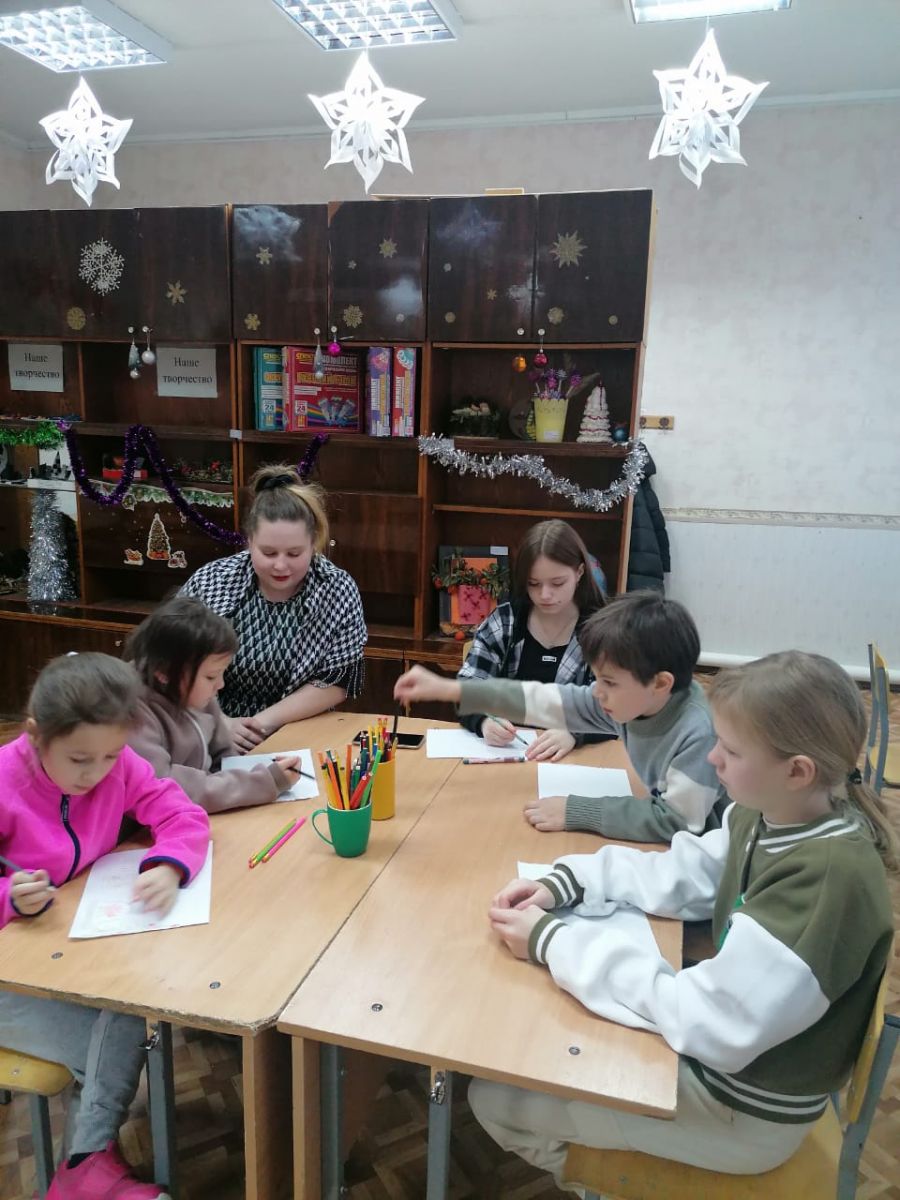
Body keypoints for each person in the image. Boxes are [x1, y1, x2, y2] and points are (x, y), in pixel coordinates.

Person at [473, 651, 897, 1192]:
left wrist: (552, 942)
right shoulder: (773, 809)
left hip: (740, 1110)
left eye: (732, 750)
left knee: (495, 1097)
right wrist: (572, 879)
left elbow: (705, 1020)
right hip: (731, 1056)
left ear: (797, 771)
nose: (713, 758)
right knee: (553, 1031)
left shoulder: (824, 882)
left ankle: (610, 1184)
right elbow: (685, 872)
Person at [0, 653, 210, 1200]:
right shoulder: (3, 782)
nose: (96, 773)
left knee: (122, 1011)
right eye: (79, 759)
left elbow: (181, 813)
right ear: (35, 736)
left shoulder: (116, 765)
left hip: (60, 957)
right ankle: (85, 1169)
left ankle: (85, 1165)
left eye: (112, 755)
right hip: (9, 974)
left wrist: (170, 863)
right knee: (117, 1032)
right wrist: (8, 897)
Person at [395, 592, 721, 843]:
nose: (597, 692)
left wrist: (574, 810)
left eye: (609, 682)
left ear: (661, 683)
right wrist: (450, 689)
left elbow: (677, 821)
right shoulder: (633, 699)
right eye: (597, 679)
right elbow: (544, 700)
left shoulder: (698, 732)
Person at [180, 465, 367, 752]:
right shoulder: (214, 579)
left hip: (299, 730)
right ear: (249, 541)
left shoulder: (336, 588)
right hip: (209, 729)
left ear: (313, 543)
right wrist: (220, 723)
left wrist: (258, 725)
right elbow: (174, 661)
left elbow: (338, 680)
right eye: (268, 553)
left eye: (294, 553)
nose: (281, 565)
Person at [124, 596, 305, 811]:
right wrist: (264, 782)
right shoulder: (131, 712)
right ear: (164, 672)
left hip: (199, 812)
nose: (220, 684)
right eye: (211, 677)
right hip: (152, 823)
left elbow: (224, 757)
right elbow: (164, 788)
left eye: (221, 673)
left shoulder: (191, 690)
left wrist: (262, 773)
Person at [459, 519, 607, 763]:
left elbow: (619, 705)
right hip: (508, 756)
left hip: (574, 762)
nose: (545, 595)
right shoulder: (506, 621)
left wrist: (574, 733)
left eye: (557, 583)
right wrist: (484, 721)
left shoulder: (603, 631)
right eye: (533, 584)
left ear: (579, 572)